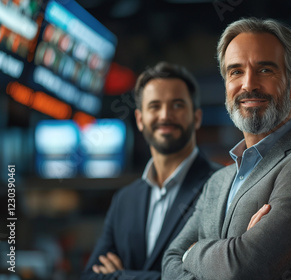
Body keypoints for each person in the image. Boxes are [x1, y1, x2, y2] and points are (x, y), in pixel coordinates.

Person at [162, 18, 291, 280]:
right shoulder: (217, 181)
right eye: (235, 71)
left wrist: (192, 254)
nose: (248, 84)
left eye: (265, 70)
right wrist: (226, 256)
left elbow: (244, 268)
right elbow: (168, 262)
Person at [82, 62, 221, 280]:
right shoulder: (124, 199)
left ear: (196, 117)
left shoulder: (221, 186)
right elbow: (91, 276)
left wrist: (120, 276)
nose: (165, 115)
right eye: (155, 106)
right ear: (139, 119)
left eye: (177, 105)